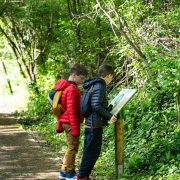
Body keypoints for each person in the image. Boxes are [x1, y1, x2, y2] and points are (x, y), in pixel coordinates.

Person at [76, 64, 117, 180]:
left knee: (91, 151)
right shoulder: (100, 85)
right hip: (94, 123)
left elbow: (97, 104)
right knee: (91, 152)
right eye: (112, 77)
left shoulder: (94, 84)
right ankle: (81, 176)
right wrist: (109, 116)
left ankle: (84, 175)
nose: (111, 79)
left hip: (92, 122)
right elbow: (95, 105)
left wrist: (108, 109)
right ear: (108, 75)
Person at [54, 64, 88, 180]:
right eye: (81, 78)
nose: (82, 81)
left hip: (65, 121)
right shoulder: (72, 89)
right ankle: (70, 173)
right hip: (70, 122)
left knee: (70, 147)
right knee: (73, 147)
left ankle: (63, 171)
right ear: (74, 75)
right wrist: (75, 129)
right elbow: (72, 110)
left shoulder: (65, 87)